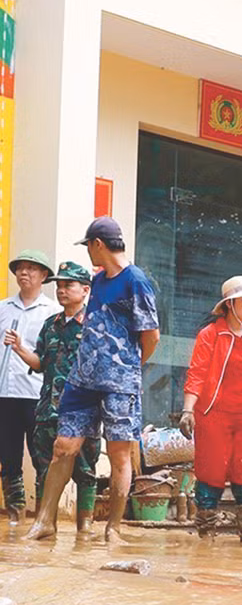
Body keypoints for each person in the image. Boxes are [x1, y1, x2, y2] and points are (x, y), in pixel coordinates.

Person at [26, 217, 160, 544]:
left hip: (119, 384)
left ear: (98, 244)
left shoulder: (136, 281)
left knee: (119, 454)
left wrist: (128, 369)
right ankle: (45, 521)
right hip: (82, 381)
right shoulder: (98, 281)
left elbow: (151, 336)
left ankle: (113, 529)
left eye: (88, 245)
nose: (88, 252)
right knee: (63, 447)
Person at [180, 276, 242, 540]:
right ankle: (206, 529)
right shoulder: (210, 335)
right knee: (211, 470)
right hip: (214, 414)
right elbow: (197, 373)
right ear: (229, 305)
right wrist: (188, 410)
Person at [15, 261, 98, 534]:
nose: (61, 290)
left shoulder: (95, 325)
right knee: (43, 470)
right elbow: (40, 363)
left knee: (85, 472)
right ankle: (44, 523)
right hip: (47, 410)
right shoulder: (50, 325)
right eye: (59, 286)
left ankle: (85, 529)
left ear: (85, 289)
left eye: (68, 285)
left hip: (81, 413)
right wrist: (20, 349)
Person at [1, 248, 59, 522]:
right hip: (5, 394)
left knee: (41, 457)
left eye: (31, 268)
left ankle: (43, 517)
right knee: (9, 457)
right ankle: (15, 514)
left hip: (37, 395)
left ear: (44, 276)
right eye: (20, 268)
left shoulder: (53, 312)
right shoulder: (3, 308)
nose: (24, 273)